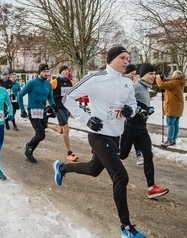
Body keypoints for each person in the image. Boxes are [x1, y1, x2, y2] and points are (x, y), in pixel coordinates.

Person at [53, 46, 146, 238]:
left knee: (93, 170)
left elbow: (132, 105)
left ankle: (62, 168)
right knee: (120, 176)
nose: (126, 61)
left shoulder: (127, 82)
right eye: (122, 57)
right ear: (111, 59)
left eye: (128, 58)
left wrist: (131, 110)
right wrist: (86, 119)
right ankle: (126, 228)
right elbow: (67, 98)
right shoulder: (95, 78)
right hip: (98, 135)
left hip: (115, 134)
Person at [120, 63, 169, 199]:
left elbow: (139, 106)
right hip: (130, 128)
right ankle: (99, 152)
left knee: (148, 155)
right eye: (151, 74)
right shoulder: (136, 87)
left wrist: (147, 111)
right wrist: (136, 111)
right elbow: (122, 103)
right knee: (121, 155)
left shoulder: (145, 88)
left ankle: (151, 188)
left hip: (142, 129)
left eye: (154, 73)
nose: (154, 76)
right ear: (143, 75)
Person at [17, 63, 57, 163]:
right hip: (33, 112)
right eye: (44, 71)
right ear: (39, 72)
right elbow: (20, 95)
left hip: (42, 111)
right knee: (41, 134)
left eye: (47, 71)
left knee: (38, 134)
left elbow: (50, 97)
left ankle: (29, 151)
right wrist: (22, 109)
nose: (46, 73)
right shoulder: (32, 83)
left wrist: (53, 105)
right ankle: (29, 146)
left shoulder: (48, 84)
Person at [47, 65, 79, 161]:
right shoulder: (55, 82)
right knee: (66, 129)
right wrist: (48, 105)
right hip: (58, 108)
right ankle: (69, 152)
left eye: (67, 70)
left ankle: (46, 124)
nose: (66, 71)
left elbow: (74, 94)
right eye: (64, 70)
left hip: (66, 108)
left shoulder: (71, 82)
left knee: (61, 130)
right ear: (60, 72)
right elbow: (47, 93)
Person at [156, 70, 186, 147]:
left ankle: (170, 140)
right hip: (178, 106)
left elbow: (162, 85)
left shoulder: (174, 83)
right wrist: (165, 79)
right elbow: (169, 84)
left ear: (176, 76)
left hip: (172, 106)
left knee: (170, 123)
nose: (172, 75)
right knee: (175, 123)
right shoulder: (179, 82)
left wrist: (158, 78)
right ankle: (173, 139)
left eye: (173, 74)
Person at [124, 64, 144, 165]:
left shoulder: (133, 83)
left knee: (134, 134)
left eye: (135, 74)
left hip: (132, 113)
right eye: (132, 73)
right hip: (123, 113)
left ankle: (139, 154)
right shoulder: (123, 81)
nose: (133, 75)